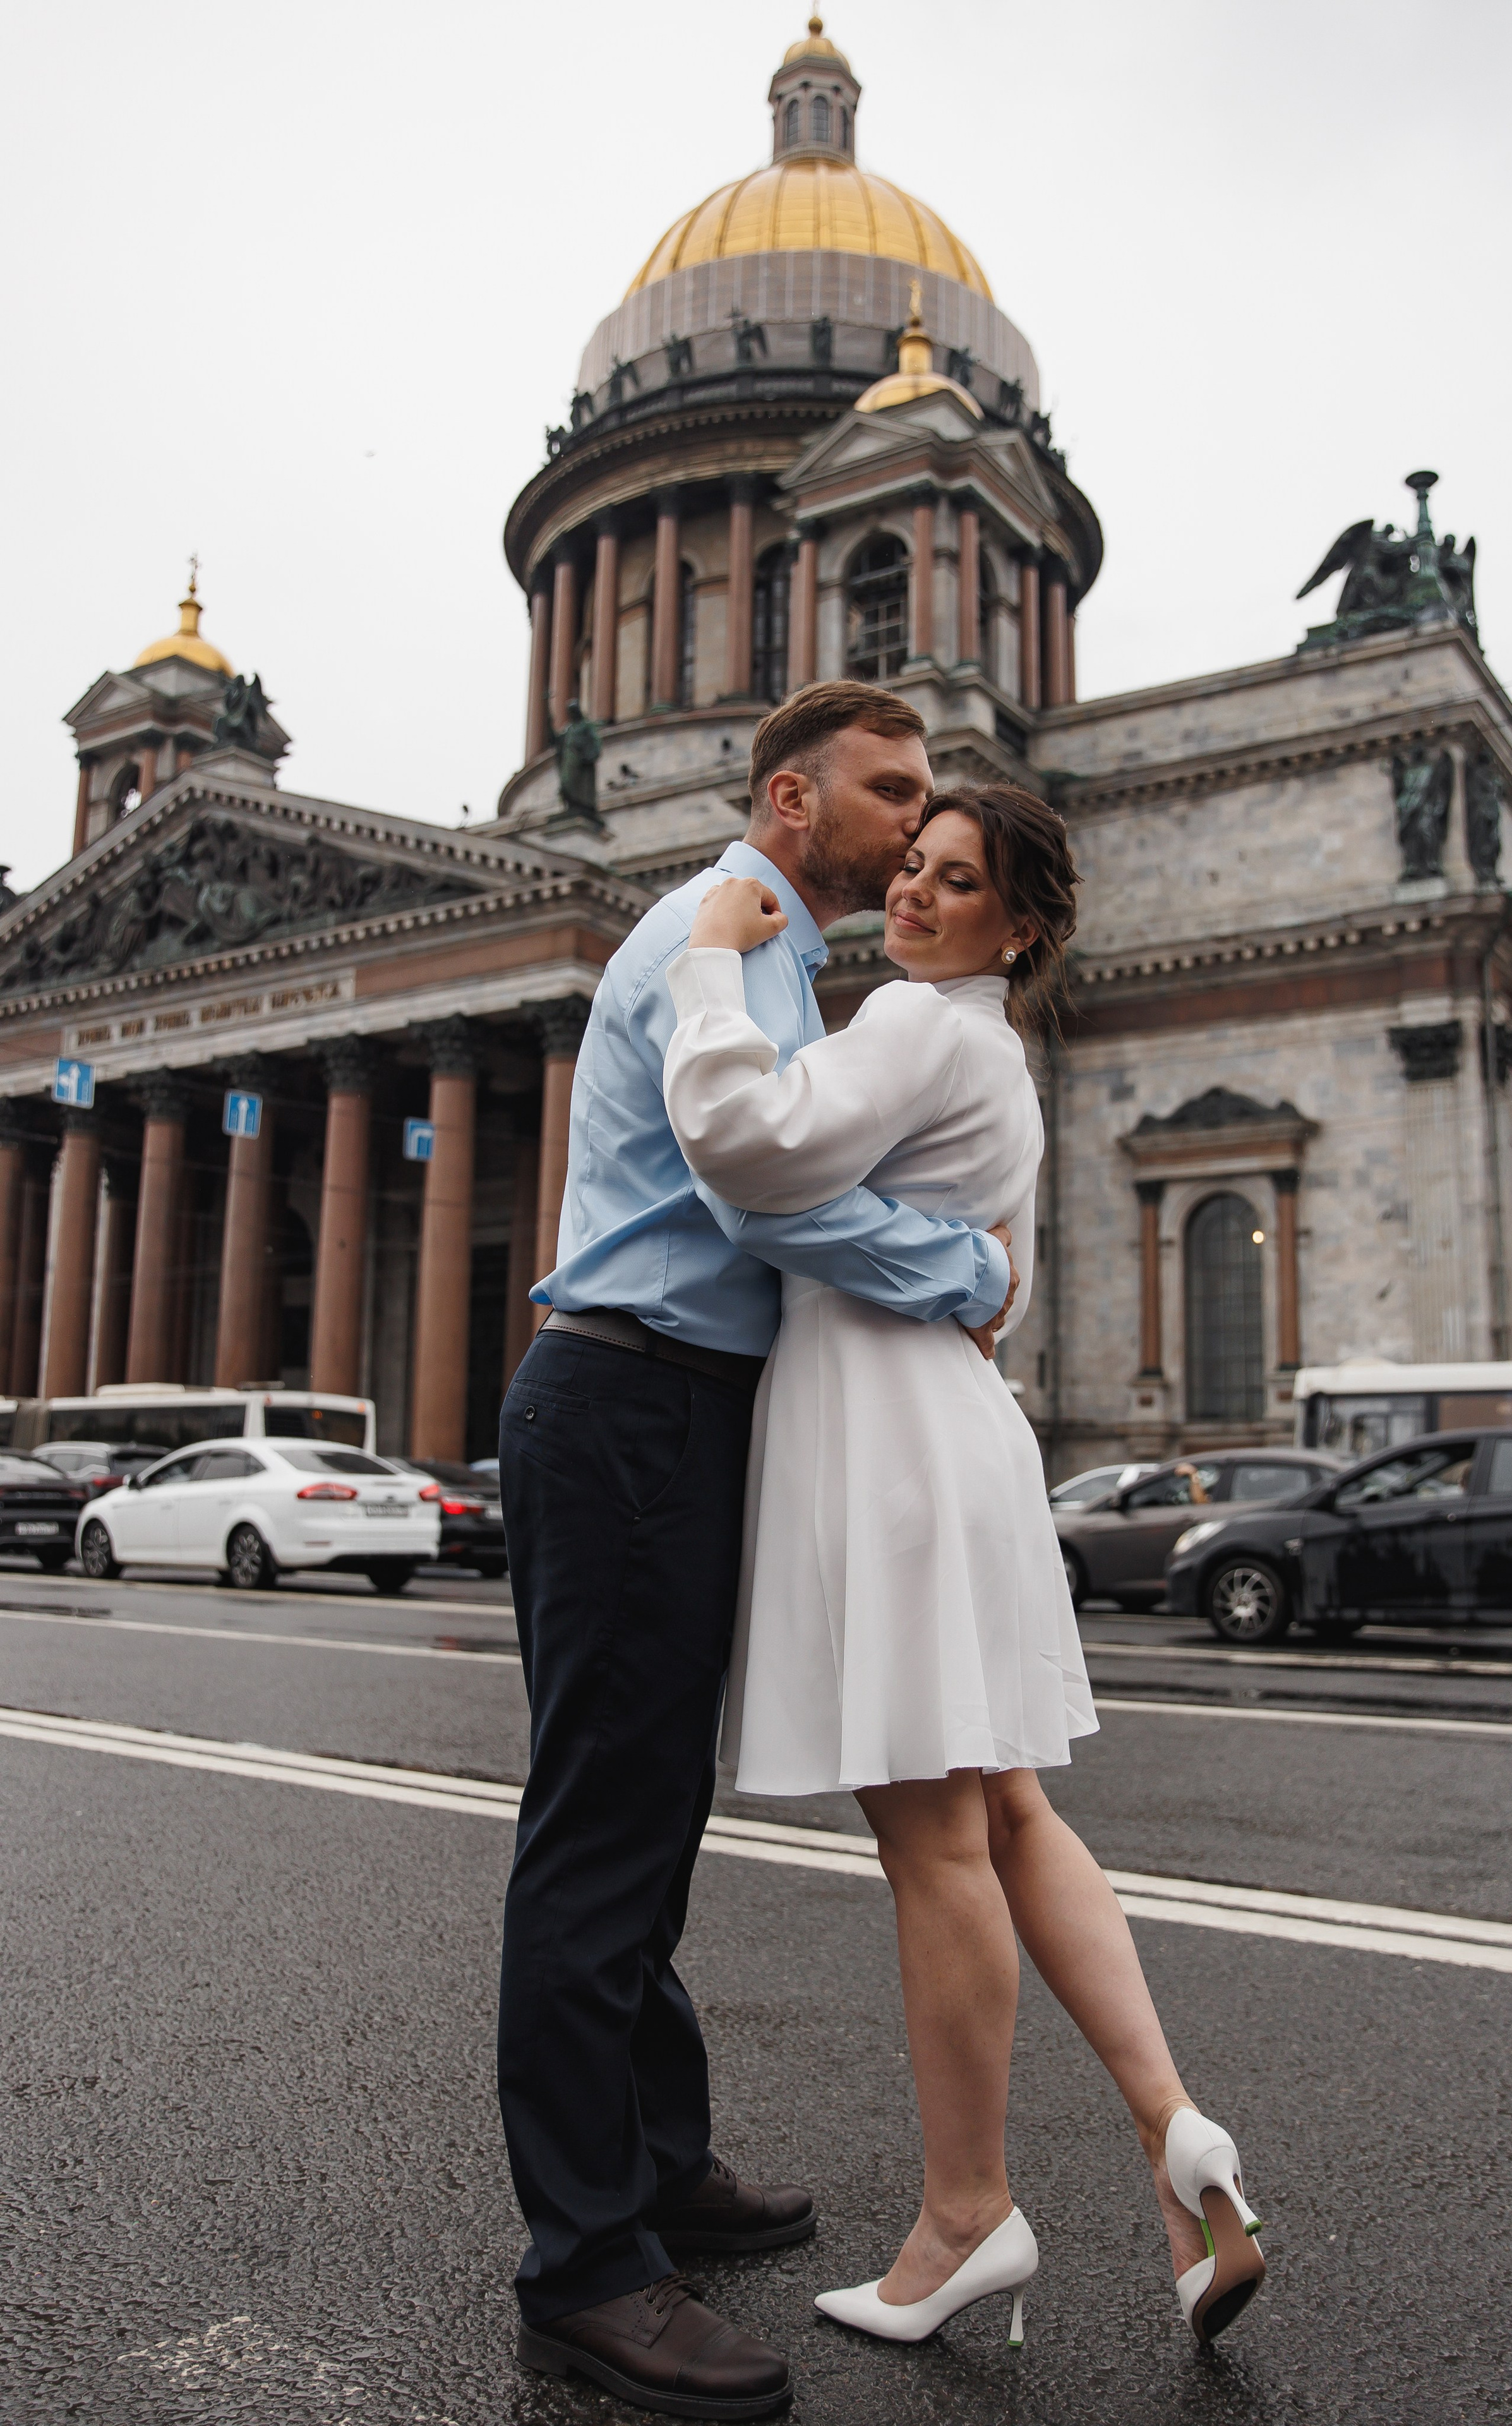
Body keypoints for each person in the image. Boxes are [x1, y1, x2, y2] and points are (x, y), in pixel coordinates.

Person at [661, 783, 1267, 2354]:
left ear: (1021, 927)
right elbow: (965, 1264)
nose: (912, 897)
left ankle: (964, 2214)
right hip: (962, 1430)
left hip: (882, 1436)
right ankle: (1175, 2132)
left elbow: (738, 1144)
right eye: (912, 869)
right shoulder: (998, 1058)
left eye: (954, 881)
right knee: (1007, 1809)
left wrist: (709, 959)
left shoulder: (912, 1023)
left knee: (932, 1844)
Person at [496, 683, 1021, 2420]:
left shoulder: (782, 960)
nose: (917, 820)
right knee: (600, 1837)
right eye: (893, 790)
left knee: (648, 1823)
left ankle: (656, 2162)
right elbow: (762, 1191)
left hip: (673, 1407)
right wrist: (972, 1276)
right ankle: (586, 2267)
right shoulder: (710, 937)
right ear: (795, 801)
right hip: (632, 1396)